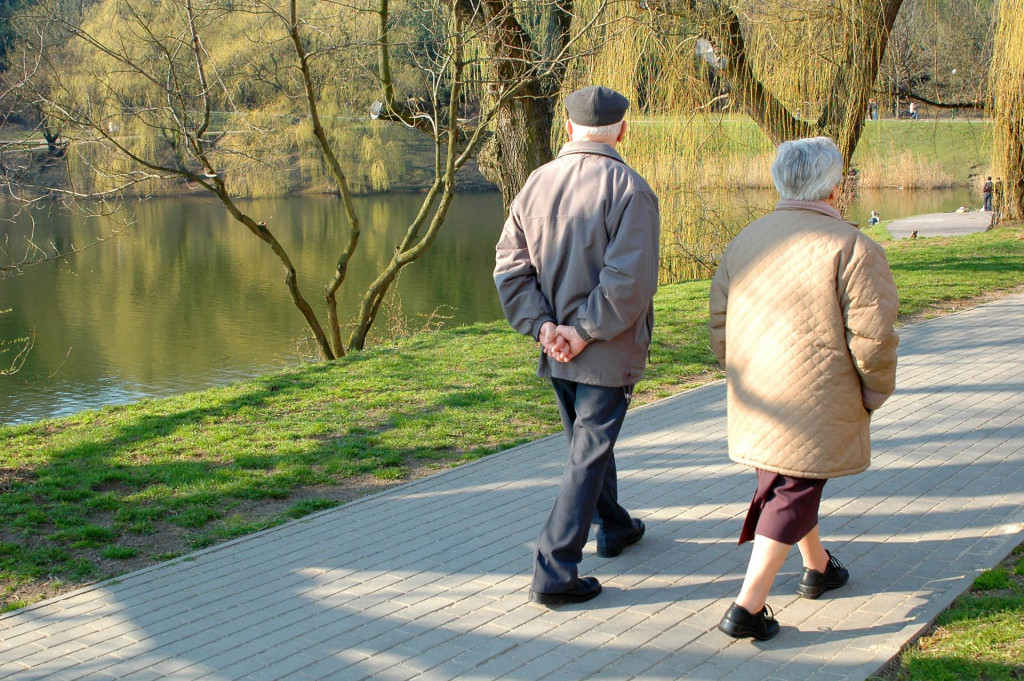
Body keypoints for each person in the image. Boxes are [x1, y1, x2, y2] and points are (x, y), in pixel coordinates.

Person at [709, 137, 899, 640]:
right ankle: (746, 609)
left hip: (759, 394)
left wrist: (741, 373)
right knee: (793, 488)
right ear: (834, 185)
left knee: (788, 480)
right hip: (819, 395)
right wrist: (875, 392)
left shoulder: (746, 239)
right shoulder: (853, 247)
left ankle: (818, 567)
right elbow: (874, 337)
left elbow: (719, 323)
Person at [494, 85, 660, 607]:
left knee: (587, 449)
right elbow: (628, 281)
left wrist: (544, 328)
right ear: (622, 130)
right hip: (603, 350)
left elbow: (510, 268)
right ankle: (554, 569)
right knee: (586, 456)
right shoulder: (631, 189)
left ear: (568, 128)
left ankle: (614, 526)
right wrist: (582, 331)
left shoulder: (535, 184)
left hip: (558, 349)